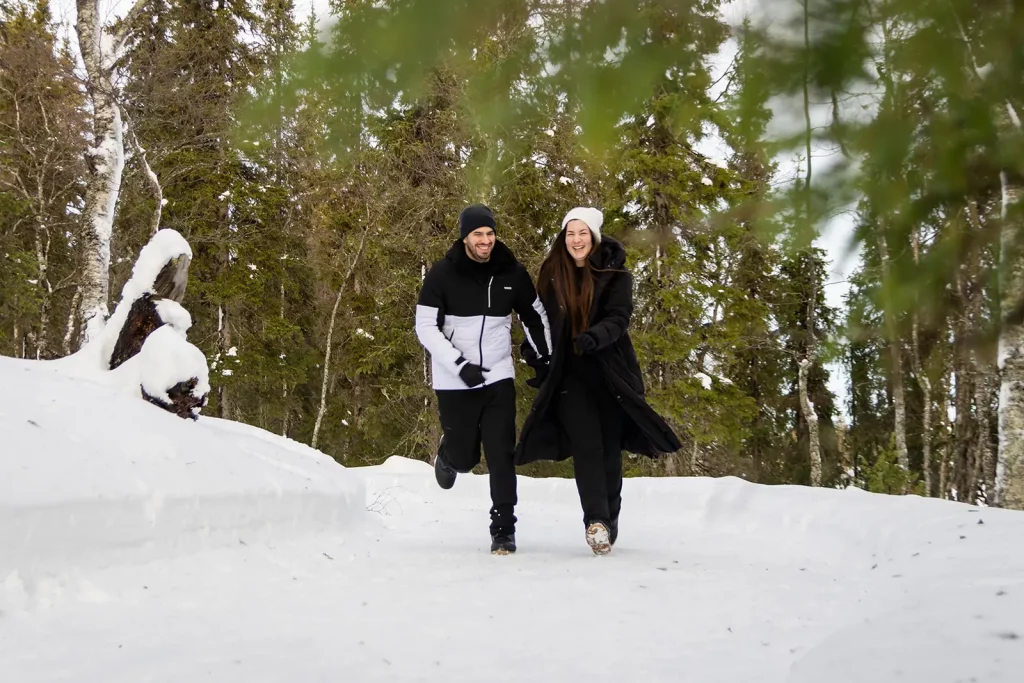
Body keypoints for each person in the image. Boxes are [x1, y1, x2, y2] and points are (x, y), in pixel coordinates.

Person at [515, 207, 682, 555]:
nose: (576, 240)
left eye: (583, 233)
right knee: (586, 446)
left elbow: (619, 318)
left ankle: (611, 518)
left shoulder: (615, 274)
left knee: (608, 452)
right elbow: (539, 321)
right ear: (564, 238)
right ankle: (596, 522)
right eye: (570, 234)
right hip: (567, 376)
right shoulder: (551, 274)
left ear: (594, 237)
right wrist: (532, 350)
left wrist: (595, 336)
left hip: (609, 372)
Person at [415, 203, 552, 555]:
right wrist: (458, 364)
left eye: (490, 234)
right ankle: (449, 455)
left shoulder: (512, 273)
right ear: (465, 237)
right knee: (465, 459)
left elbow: (535, 316)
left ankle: (503, 527)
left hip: (497, 376)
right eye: (478, 234)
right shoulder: (442, 275)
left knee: (501, 452)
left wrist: (544, 361)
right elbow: (426, 327)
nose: (486, 240)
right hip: (454, 379)